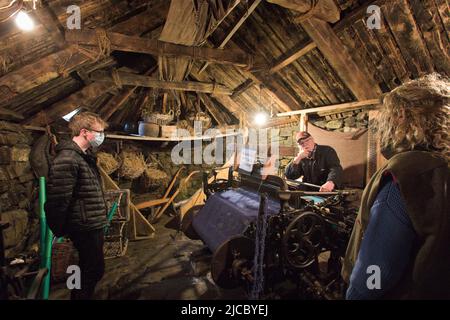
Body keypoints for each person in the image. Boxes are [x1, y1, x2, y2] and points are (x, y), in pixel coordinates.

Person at [342, 73, 450, 299]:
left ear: (402, 116)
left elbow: (376, 272)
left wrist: (357, 293)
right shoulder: (442, 168)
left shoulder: (405, 173)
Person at [45, 112, 108, 300]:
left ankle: (79, 295)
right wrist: (60, 228)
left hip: (90, 222)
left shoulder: (82, 156)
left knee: (91, 269)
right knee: (90, 270)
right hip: (83, 224)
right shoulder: (68, 159)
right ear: (84, 132)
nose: (101, 136)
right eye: (99, 132)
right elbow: (58, 198)